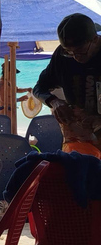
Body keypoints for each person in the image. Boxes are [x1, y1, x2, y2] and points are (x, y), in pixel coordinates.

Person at [33, 13, 101, 157]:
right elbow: (39, 88)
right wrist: (54, 101)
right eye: (70, 52)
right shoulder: (62, 56)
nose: (75, 57)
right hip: (80, 138)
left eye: (81, 52)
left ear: (95, 40)